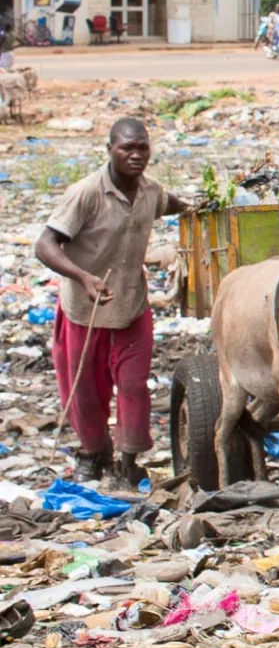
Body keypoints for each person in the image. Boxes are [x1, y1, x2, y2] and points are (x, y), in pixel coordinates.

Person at [35, 119, 191, 487]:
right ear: (110, 150)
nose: (136, 155)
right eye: (127, 148)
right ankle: (93, 453)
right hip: (85, 310)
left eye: (142, 148)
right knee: (87, 389)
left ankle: (128, 460)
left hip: (131, 306)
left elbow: (171, 204)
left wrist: (198, 208)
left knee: (134, 386)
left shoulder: (151, 191)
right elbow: (45, 244)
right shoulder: (87, 193)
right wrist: (83, 277)